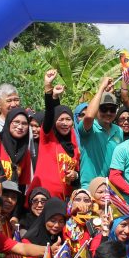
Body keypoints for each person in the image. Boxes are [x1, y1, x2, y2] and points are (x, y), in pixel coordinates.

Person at [30, 70, 81, 200]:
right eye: (61, 120)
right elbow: (50, 114)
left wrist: (75, 175)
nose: (64, 123)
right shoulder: (48, 138)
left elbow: (77, 172)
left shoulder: (74, 145)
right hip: (43, 200)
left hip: (65, 201)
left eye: (68, 119)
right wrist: (49, 88)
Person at [76, 78, 124, 189]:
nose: (108, 113)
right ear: (97, 109)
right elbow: (89, 116)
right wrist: (101, 88)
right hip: (90, 188)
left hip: (111, 190)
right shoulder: (89, 127)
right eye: (103, 109)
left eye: (112, 109)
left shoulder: (119, 131)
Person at [0, 106, 33, 188]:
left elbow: (22, 184)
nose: (20, 127)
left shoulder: (25, 152)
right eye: (16, 122)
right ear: (9, 122)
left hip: (12, 194)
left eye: (24, 124)